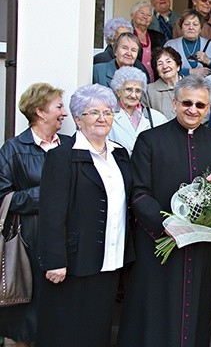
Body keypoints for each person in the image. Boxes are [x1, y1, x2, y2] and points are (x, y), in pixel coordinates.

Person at [117, 74, 211, 347]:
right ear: (174, 103)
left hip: (200, 242)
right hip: (159, 241)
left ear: (208, 108)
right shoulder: (150, 139)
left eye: (200, 105)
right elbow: (139, 191)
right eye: (187, 103)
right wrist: (165, 225)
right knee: (156, 305)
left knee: (194, 305)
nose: (193, 110)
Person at [37, 84, 134, 347]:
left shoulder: (120, 154)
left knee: (97, 330)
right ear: (78, 119)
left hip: (110, 259)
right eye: (93, 112)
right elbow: (51, 211)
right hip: (73, 262)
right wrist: (55, 260)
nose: (102, 118)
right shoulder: (62, 156)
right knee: (67, 331)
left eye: (108, 112)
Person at [0, 83, 69, 347]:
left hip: (64, 246)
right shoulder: (14, 149)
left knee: (57, 323)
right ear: (40, 112)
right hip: (27, 247)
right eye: (59, 107)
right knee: (24, 326)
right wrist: (50, 194)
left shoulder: (71, 147)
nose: (64, 113)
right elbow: (4, 197)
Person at [108, 67, 168, 155]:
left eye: (138, 91)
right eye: (128, 89)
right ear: (118, 91)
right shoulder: (108, 116)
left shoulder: (157, 117)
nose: (133, 95)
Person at [165, 9, 211, 77]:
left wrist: (209, 61)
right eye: (187, 24)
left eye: (195, 24)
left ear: (200, 28)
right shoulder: (171, 45)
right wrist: (190, 71)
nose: (191, 27)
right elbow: (164, 70)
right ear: (181, 27)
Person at [130, 0, 167, 82]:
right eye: (142, 13)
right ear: (132, 15)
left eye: (149, 15)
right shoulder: (126, 35)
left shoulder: (158, 37)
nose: (145, 17)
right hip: (132, 82)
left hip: (154, 82)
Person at [144, 46, 182, 120]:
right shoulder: (148, 91)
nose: (165, 66)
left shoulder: (192, 86)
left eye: (168, 61)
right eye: (160, 64)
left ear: (178, 66)